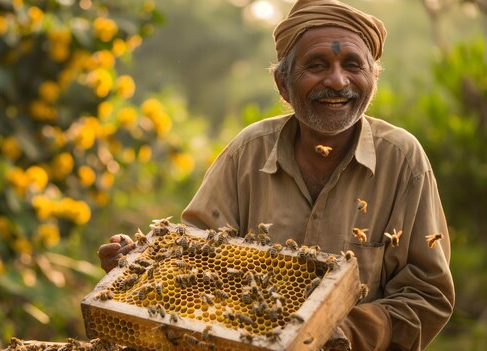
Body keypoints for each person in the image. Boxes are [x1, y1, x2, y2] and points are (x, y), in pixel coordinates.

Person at [98, 0, 454, 349]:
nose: (337, 80)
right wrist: (144, 265)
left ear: (371, 80)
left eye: (352, 65)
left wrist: (333, 332)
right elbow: (195, 256)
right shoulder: (247, 151)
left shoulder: (403, 160)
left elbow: (428, 294)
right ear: (283, 84)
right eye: (317, 65)